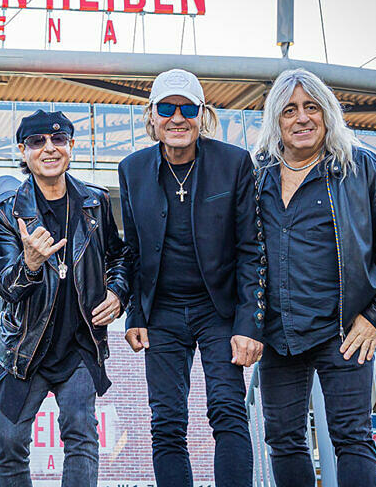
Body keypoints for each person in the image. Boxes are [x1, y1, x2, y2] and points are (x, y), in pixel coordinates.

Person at [252, 68, 376, 486]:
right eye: (289, 110)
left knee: (352, 437)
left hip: (344, 329)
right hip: (278, 333)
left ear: (327, 113)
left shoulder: (363, 167)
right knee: (283, 439)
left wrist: (375, 316)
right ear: (275, 120)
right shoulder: (257, 175)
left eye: (311, 107)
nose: (302, 118)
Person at [119, 69, 264, 487]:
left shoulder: (234, 163)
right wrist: (135, 315)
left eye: (188, 109)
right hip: (162, 311)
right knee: (166, 422)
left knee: (227, 410)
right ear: (152, 115)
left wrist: (249, 323)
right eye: (167, 108)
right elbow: (133, 250)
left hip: (218, 309)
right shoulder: (131, 169)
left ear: (203, 114)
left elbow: (251, 249)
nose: (177, 118)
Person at [0, 109, 128, 487]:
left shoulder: (96, 201)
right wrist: (30, 264)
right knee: (9, 442)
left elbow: (119, 256)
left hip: (80, 344)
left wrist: (118, 292)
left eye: (58, 139)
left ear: (71, 146)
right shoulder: (6, 211)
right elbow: (6, 286)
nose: (49, 148)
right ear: (23, 151)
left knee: (81, 434)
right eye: (37, 142)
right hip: (25, 349)